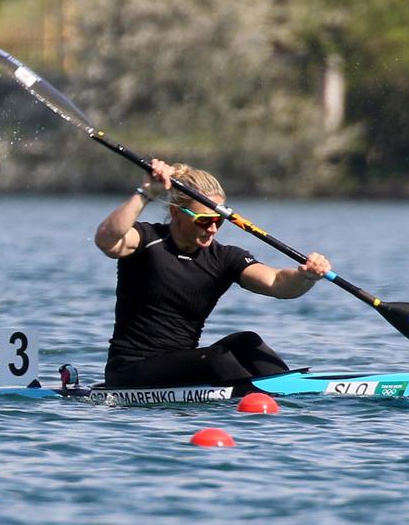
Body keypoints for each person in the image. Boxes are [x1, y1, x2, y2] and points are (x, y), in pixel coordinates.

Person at [94, 159, 331, 389]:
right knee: (216, 358)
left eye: (219, 220)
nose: (213, 228)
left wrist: (306, 276)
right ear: (177, 213)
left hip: (182, 365)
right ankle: (257, 396)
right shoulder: (148, 240)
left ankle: (296, 392)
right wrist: (146, 193)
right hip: (130, 371)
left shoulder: (223, 258)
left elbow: (277, 283)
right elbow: (106, 240)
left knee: (247, 341)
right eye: (205, 220)